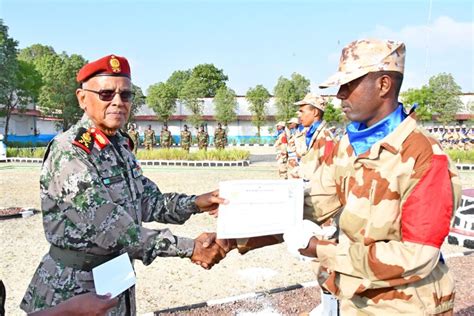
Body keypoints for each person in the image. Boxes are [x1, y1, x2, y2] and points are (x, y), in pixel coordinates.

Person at [20, 54, 229, 315]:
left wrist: (197, 202)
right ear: (82, 98)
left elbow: (147, 200)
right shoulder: (70, 151)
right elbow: (109, 227)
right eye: (106, 94)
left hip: (114, 277)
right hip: (72, 290)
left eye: (126, 95)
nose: (118, 102)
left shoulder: (118, 145)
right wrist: (191, 248)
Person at [288, 39, 461, 315]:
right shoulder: (349, 144)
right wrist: (235, 233)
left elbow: (417, 255)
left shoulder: (424, 156)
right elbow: (314, 203)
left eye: (349, 85)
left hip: (406, 304)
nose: (340, 95)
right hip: (356, 298)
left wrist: (323, 251)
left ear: (383, 85)